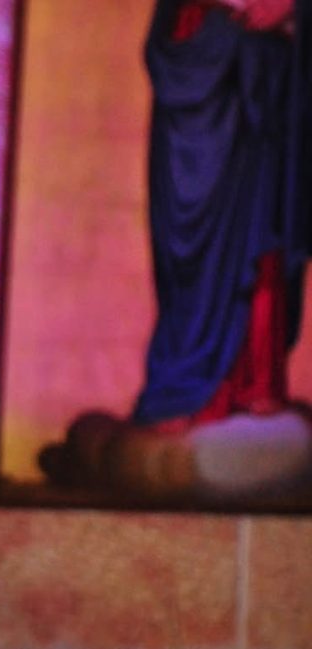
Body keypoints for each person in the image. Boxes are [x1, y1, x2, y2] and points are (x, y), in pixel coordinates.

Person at [134, 0, 305, 429]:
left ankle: (256, 383)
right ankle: (189, 388)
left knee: (258, 226)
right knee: (194, 252)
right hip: (199, 64)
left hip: (261, 84)